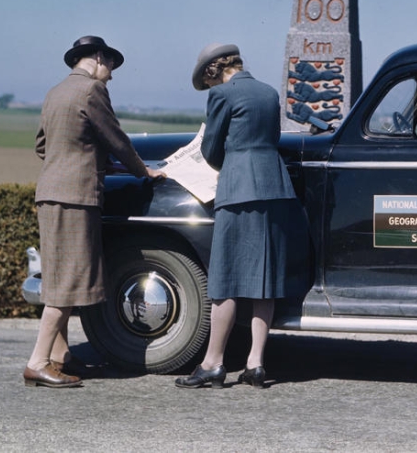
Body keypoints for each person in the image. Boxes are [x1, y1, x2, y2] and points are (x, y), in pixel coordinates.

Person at [23, 35, 166, 388]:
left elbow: (42, 145)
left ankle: (60, 357)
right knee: (68, 283)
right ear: (98, 58)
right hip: (76, 197)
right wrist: (143, 171)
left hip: (50, 194)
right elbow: (116, 137)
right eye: (111, 67)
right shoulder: (92, 91)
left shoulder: (55, 92)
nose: (111, 76)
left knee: (56, 280)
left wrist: (69, 158)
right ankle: (38, 361)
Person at [175, 43, 308, 390]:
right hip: (275, 187)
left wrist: (228, 163)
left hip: (239, 191)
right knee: (264, 278)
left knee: (226, 278)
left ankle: (213, 363)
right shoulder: (267, 92)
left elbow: (211, 150)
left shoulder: (222, 95)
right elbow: (273, 138)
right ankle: (256, 364)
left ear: (212, 72)